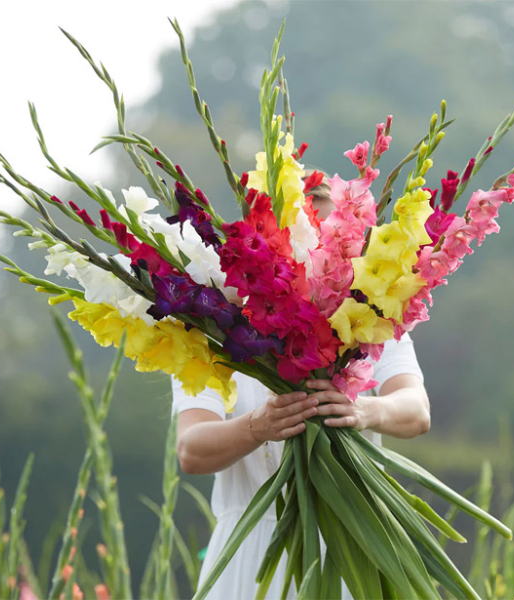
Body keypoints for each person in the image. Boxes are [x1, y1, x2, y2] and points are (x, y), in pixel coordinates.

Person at [171, 174, 431, 600]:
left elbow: (416, 410)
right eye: (307, 245)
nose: (323, 261)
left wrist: (365, 412)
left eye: (335, 247)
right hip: (251, 554)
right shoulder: (212, 333)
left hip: (356, 543)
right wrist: (259, 426)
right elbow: (192, 449)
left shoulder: (373, 319)